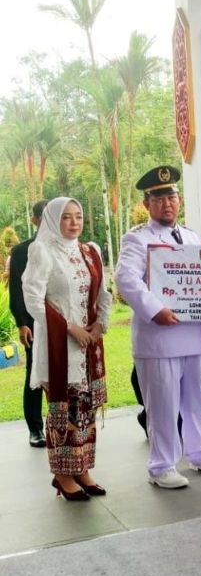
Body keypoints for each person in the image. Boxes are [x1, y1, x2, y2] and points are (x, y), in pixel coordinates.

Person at [115, 166, 201, 489]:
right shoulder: (137, 238)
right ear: (147, 203)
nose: (167, 203)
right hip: (160, 336)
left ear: (179, 200)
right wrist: (155, 310)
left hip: (193, 333)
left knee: (196, 401)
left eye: (172, 196)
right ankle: (162, 466)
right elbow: (126, 279)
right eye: (159, 198)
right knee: (163, 406)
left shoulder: (191, 237)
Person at [22, 197, 112, 501]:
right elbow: (33, 298)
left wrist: (99, 325)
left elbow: (103, 294)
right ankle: (63, 475)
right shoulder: (42, 251)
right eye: (66, 217)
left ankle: (82, 469)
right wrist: (70, 328)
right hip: (59, 346)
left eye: (78, 216)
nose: (74, 222)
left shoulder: (90, 251)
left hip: (88, 347)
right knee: (64, 411)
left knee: (85, 409)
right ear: (52, 220)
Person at [8, 199, 48, 448]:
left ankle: (65, 424)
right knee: (35, 372)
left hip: (66, 322)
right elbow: (17, 290)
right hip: (34, 323)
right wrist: (22, 323)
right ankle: (35, 429)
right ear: (35, 220)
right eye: (44, 217)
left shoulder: (70, 247)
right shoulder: (22, 250)